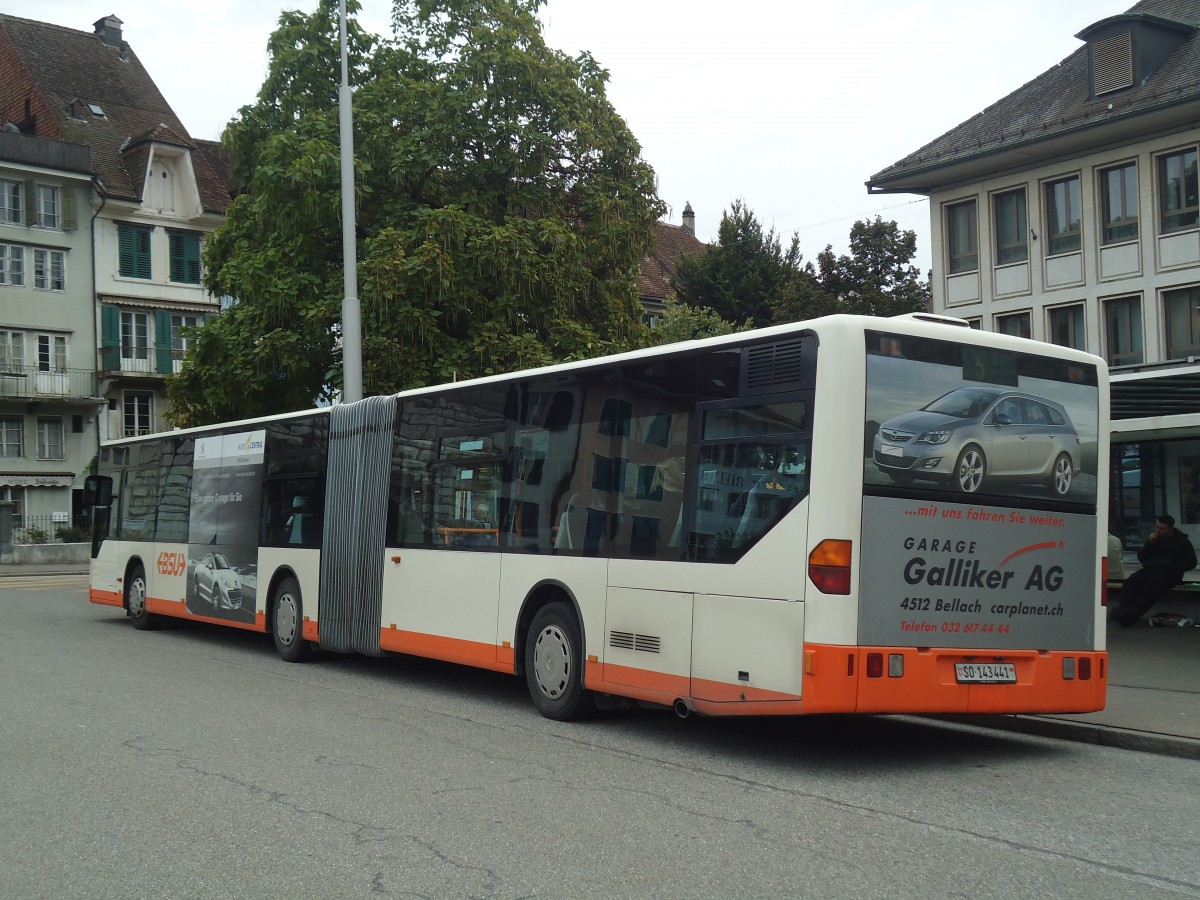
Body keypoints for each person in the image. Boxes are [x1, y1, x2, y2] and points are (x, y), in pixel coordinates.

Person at [1111, 514, 1197, 627]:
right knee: (1131, 582)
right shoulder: (1155, 540)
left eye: (1162, 529)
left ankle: (1131, 615)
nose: (1158, 530)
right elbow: (1142, 557)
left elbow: (1191, 562)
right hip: (1151, 569)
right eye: (1157, 527)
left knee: (1151, 586)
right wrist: (1150, 543)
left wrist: (1174, 566)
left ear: (1170, 529)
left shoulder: (1182, 542)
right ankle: (1124, 611)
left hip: (1169, 572)